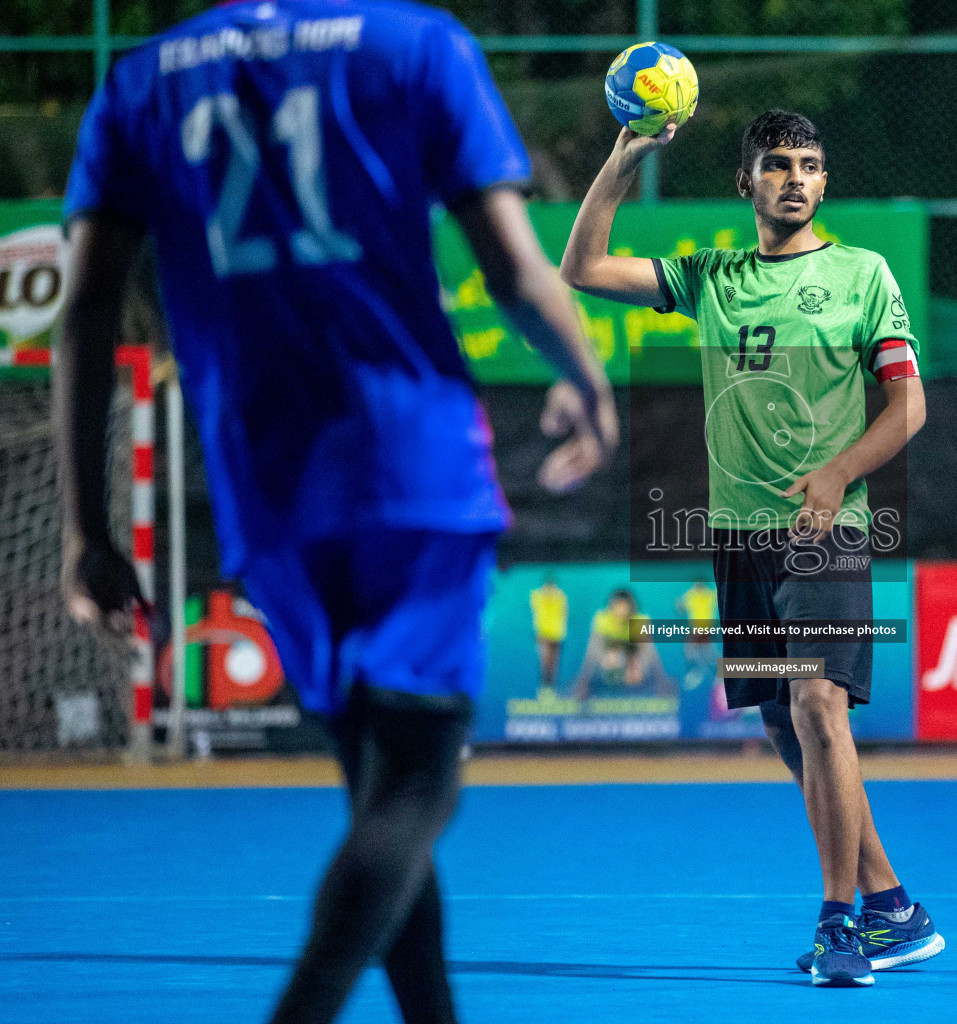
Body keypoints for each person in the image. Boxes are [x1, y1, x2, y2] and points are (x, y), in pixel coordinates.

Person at [53, 3, 616, 1022]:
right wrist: (583, 373)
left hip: (265, 491)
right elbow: (510, 263)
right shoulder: (416, 45)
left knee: (376, 786)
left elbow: (87, 307)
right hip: (414, 466)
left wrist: (86, 526)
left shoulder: (139, 81)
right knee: (417, 791)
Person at [560, 109, 941, 987]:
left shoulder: (862, 275)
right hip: (740, 534)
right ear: (748, 185)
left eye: (809, 164)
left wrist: (838, 474)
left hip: (826, 529)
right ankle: (894, 909)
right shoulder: (713, 278)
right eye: (777, 165)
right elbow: (580, 268)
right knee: (782, 719)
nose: (796, 178)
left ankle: (839, 925)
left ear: (825, 182)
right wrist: (623, 158)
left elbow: (909, 406)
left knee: (816, 704)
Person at [570, 588, 674, 701]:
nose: (621, 611)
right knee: (611, 657)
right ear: (611, 606)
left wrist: (661, 680)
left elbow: (650, 653)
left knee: (635, 674)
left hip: (633, 658)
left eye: (624, 606)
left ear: (632, 608)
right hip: (609, 658)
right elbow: (592, 652)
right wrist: (583, 680)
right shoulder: (602, 620)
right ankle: (612, 677)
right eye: (618, 606)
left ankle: (631, 678)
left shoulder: (639, 621)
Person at [530, 576, 569, 696]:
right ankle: (544, 688)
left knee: (553, 664)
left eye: (552, 588)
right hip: (543, 635)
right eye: (547, 587)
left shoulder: (561, 597)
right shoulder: (536, 596)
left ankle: (551, 690)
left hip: (557, 635)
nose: (550, 591)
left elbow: (564, 615)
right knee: (545, 661)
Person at [677, 576, 717, 691]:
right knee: (691, 652)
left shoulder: (710, 594)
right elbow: (680, 607)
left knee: (707, 655)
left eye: (700, 584)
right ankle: (698, 673)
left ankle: (714, 675)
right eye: (697, 584)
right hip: (695, 629)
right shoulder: (690, 595)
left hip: (707, 630)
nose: (699, 586)